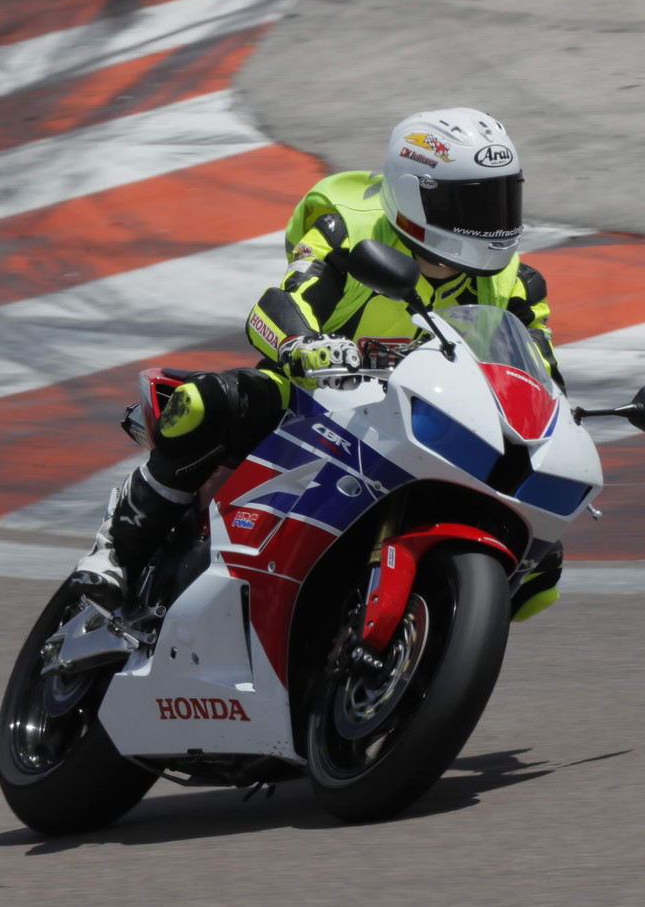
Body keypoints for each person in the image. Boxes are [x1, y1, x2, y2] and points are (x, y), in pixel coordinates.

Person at [62, 107, 565, 622]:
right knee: (207, 402)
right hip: (314, 397)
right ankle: (116, 549)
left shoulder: (517, 285)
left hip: (426, 423)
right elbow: (280, 304)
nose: (493, 222)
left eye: (501, 200)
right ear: (416, 195)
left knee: (540, 552)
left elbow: (542, 374)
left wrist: (563, 424)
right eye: (474, 204)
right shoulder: (348, 228)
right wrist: (301, 345)